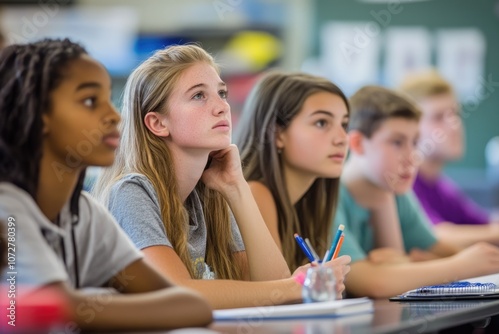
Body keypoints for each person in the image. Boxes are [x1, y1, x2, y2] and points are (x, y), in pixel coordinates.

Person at [92, 44, 348, 309]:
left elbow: (270, 285)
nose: (222, 107)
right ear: (158, 123)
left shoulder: (210, 192)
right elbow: (177, 294)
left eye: (222, 93)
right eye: (199, 96)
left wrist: (237, 188)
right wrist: (297, 286)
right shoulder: (131, 191)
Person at [0, 39, 212, 331]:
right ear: (40, 115)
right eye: (89, 101)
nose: (114, 116)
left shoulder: (83, 214)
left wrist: (83, 303)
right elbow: (42, 310)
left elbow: (192, 305)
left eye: (107, 99)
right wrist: (80, 304)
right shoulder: (7, 209)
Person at [333, 85, 499, 298]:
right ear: (357, 143)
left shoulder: (396, 192)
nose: (413, 157)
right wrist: (460, 266)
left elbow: (438, 250)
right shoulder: (331, 194)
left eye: (415, 142)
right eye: (397, 142)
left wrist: (408, 263)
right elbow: (374, 283)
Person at [234, 71, 352, 277]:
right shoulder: (256, 193)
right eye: (322, 123)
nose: (342, 138)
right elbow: (275, 292)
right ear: (277, 134)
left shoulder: (310, 200)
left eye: (344, 124)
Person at [400, 70, 499, 248]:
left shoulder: (441, 186)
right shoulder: (404, 183)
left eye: (455, 114)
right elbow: (435, 236)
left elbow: (486, 225)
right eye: (438, 117)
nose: (454, 125)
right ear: (410, 129)